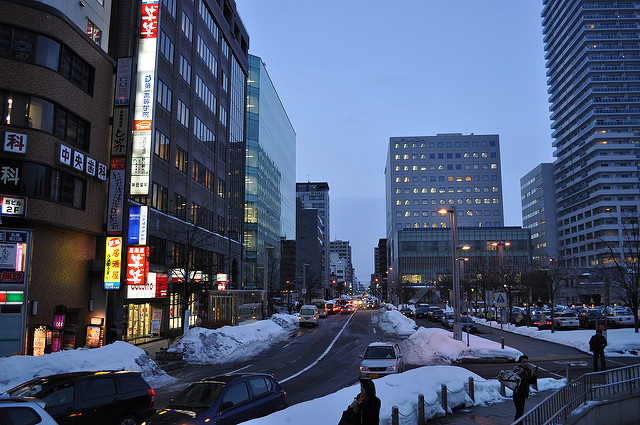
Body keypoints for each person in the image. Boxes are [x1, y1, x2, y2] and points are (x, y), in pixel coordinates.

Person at [512, 354, 538, 421]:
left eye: (526, 362)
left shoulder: (528, 370)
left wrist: (535, 376)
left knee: (521, 411)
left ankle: (518, 422)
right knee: (519, 411)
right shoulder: (517, 370)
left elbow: (531, 382)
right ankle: (517, 423)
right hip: (517, 393)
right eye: (524, 362)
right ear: (520, 362)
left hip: (524, 393)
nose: (525, 363)